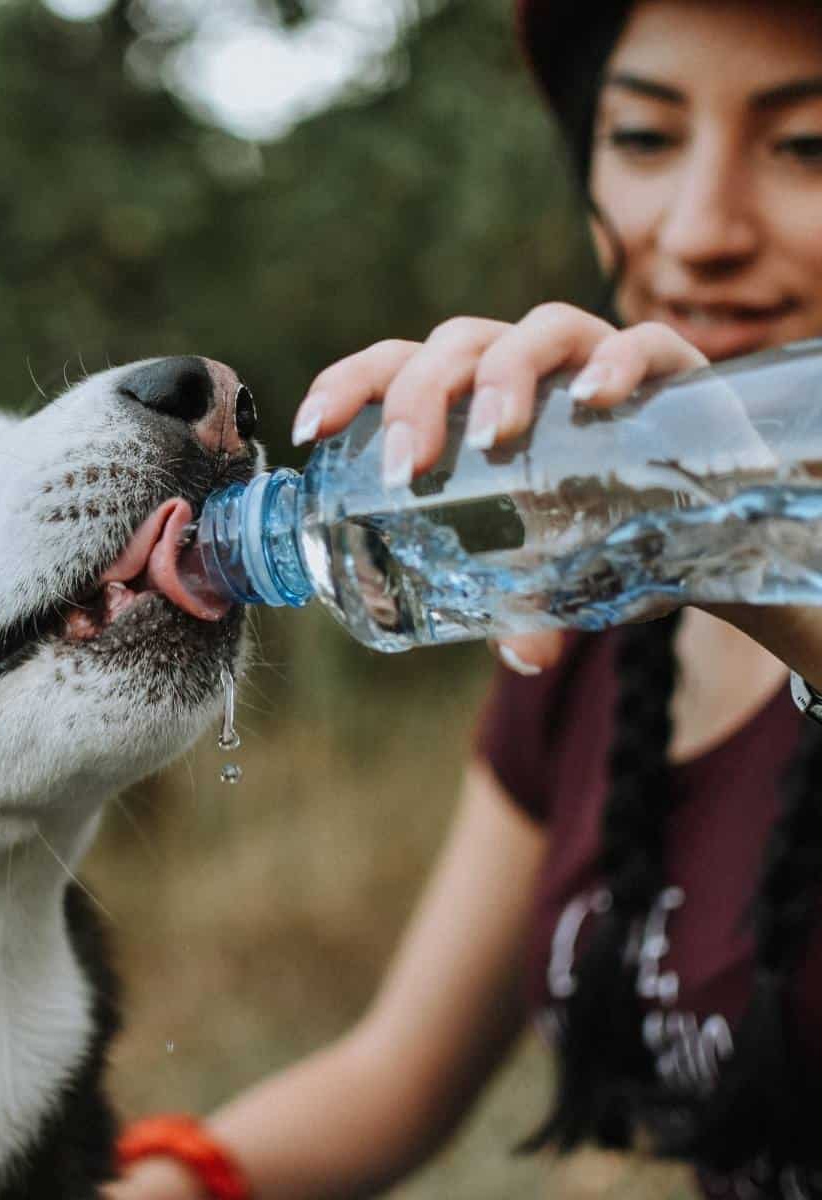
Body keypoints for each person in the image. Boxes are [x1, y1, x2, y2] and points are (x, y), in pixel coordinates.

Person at [105, 2, 822, 1197]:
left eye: (809, 147)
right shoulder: (589, 621)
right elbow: (393, 1078)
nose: (699, 231)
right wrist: (164, 1180)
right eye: (645, 138)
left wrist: (767, 557)